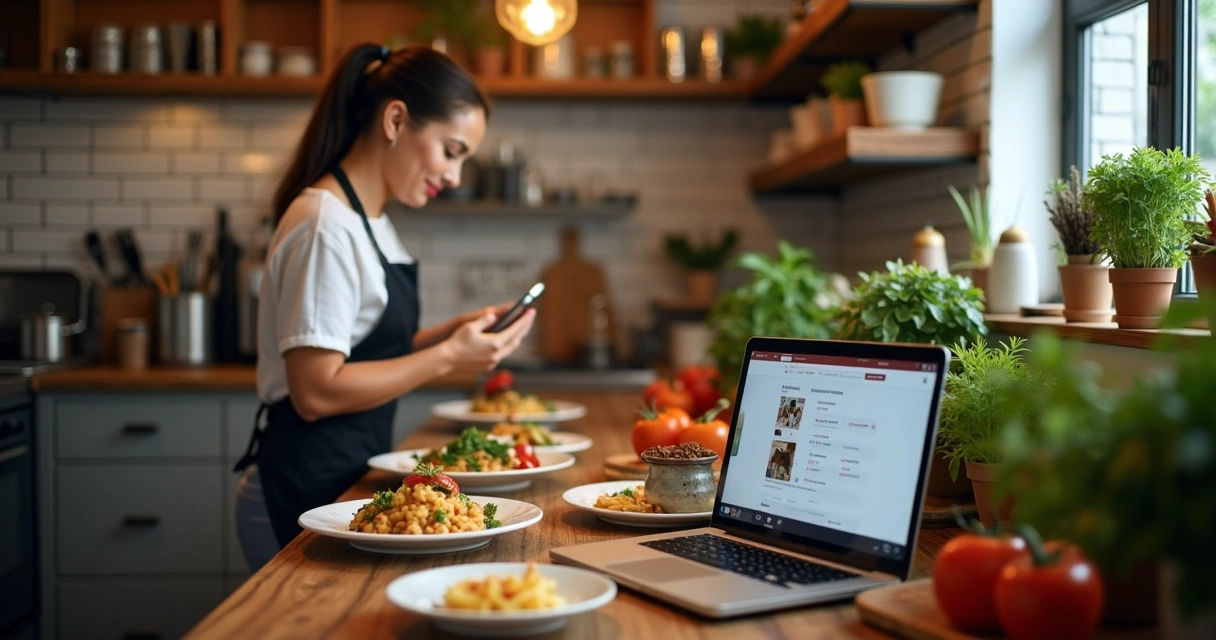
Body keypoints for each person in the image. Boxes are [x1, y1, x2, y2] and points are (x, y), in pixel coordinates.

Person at [232, 44, 534, 571]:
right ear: (396, 119)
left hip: (337, 481)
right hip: (298, 488)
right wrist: (448, 359)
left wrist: (449, 335)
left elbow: (364, 347)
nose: (456, 177)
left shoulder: (370, 221)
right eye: (452, 150)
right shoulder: (325, 225)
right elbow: (316, 391)